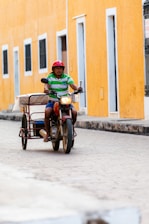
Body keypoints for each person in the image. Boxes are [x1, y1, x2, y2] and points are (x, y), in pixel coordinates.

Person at [43, 60, 82, 142]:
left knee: (74, 112)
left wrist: (77, 88)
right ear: (53, 69)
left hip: (65, 100)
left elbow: (72, 85)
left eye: (60, 68)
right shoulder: (50, 77)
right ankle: (48, 133)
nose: (59, 70)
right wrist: (47, 90)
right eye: (57, 68)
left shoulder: (66, 77)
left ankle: (71, 128)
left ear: (63, 69)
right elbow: (46, 85)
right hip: (53, 101)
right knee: (47, 112)